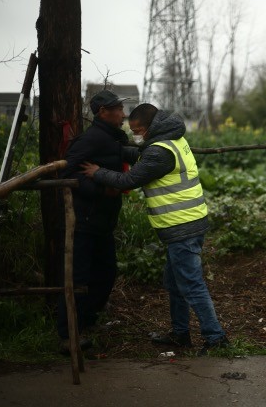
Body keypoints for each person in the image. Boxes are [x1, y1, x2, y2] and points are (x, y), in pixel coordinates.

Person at [79, 103, 228, 356]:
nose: (137, 135)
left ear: (149, 128)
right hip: (185, 224)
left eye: (138, 131)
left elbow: (129, 179)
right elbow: (139, 155)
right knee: (174, 283)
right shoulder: (171, 141)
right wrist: (114, 149)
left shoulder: (160, 152)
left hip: (182, 227)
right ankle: (181, 333)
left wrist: (98, 172)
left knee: (191, 284)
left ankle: (215, 338)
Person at [57, 90, 139, 353]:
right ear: (103, 112)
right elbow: (68, 173)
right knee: (79, 278)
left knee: (105, 274)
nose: (123, 114)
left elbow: (121, 155)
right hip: (85, 222)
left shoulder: (111, 138)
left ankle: (87, 323)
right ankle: (68, 335)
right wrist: (102, 190)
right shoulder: (91, 139)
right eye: (118, 110)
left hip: (103, 223)